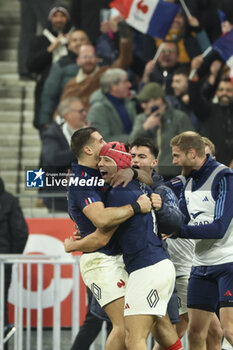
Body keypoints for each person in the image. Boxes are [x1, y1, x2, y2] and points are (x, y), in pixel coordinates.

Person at [65, 127, 152, 350]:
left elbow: (149, 177)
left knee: (132, 326)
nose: (105, 142)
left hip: (114, 258)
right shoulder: (81, 181)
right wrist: (136, 207)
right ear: (88, 148)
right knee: (123, 326)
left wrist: (131, 173)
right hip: (100, 260)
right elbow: (102, 220)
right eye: (100, 140)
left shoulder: (98, 172)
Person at [167, 131, 233, 350]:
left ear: (192, 153)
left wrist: (179, 232)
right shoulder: (187, 184)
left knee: (229, 329)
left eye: (177, 156)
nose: (174, 161)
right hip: (200, 265)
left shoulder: (224, 177)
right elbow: (180, 221)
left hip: (228, 263)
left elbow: (219, 228)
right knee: (195, 332)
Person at [130, 82, 194, 179]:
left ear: (159, 100)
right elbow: (131, 143)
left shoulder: (179, 118)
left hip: (174, 174)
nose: (143, 105)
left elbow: (191, 145)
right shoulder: (141, 119)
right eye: (142, 102)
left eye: (146, 102)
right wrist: (144, 128)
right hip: (147, 175)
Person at [27, 3, 71, 130]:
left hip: (68, 91)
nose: (58, 19)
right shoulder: (40, 40)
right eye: (55, 16)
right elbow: (30, 65)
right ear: (50, 19)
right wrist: (50, 49)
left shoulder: (74, 39)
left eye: (62, 16)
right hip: (45, 90)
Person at [41, 97, 87, 211]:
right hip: (59, 197)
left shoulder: (87, 132)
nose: (85, 114)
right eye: (80, 111)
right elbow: (54, 159)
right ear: (67, 115)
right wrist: (80, 149)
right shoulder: (52, 133)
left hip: (83, 194)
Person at [39, 30, 90, 130]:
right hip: (68, 120)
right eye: (74, 40)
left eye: (82, 40)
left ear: (88, 42)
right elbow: (49, 95)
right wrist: (45, 121)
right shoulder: (60, 65)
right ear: (69, 45)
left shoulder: (97, 64)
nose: (78, 43)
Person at [188, 55, 233, 167]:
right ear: (216, 92)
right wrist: (194, 70)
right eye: (221, 90)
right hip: (212, 166)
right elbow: (194, 97)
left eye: (228, 90)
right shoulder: (207, 110)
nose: (224, 93)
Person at [0, 178, 28, 350]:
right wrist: (9, 258)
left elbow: (20, 233)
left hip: (4, 262)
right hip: (3, 263)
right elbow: (20, 233)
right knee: (1, 305)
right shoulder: (9, 201)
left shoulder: (9, 200)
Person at [86, 68, 136, 142]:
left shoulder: (127, 101)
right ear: (113, 86)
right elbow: (103, 140)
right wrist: (135, 138)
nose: (129, 84)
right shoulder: (97, 109)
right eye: (125, 82)